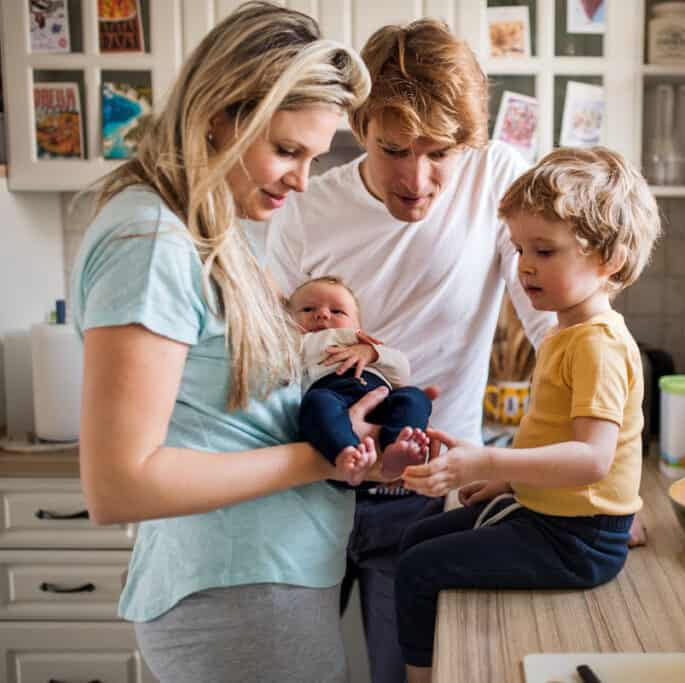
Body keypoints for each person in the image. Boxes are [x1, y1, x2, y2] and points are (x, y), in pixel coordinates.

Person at [70, 4, 378, 681]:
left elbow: (234, 421)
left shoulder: (210, 228)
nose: (301, 180)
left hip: (264, 585)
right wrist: (318, 460)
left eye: (314, 156)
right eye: (288, 150)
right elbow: (118, 483)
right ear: (218, 112)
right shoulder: (151, 242)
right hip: (238, 601)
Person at [265, 18, 556, 683]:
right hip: (310, 490)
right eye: (394, 148)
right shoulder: (307, 209)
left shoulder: (497, 182)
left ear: (470, 145)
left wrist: (596, 475)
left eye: (439, 152)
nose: (417, 178)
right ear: (359, 126)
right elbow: (273, 359)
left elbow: (557, 331)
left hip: (428, 502)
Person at [396, 146, 662, 683]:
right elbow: (554, 436)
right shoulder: (568, 334)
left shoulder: (597, 345)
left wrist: (493, 466)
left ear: (608, 258)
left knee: (417, 567)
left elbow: (592, 459)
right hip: (551, 518)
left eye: (544, 250)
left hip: (579, 542)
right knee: (415, 542)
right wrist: (512, 486)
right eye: (519, 249)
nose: (524, 267)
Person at [288, 275, 433, 484]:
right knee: (316, 404)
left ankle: (397, 447)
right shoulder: (298, 345)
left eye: (337, 311)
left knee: (414, 396)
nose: (322, 314)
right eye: (308, 309)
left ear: (359, 326)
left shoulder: (367, 345)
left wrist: (372, 353)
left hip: (383, 405)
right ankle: (345, 453)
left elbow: (402, 371)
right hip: (334, 404)